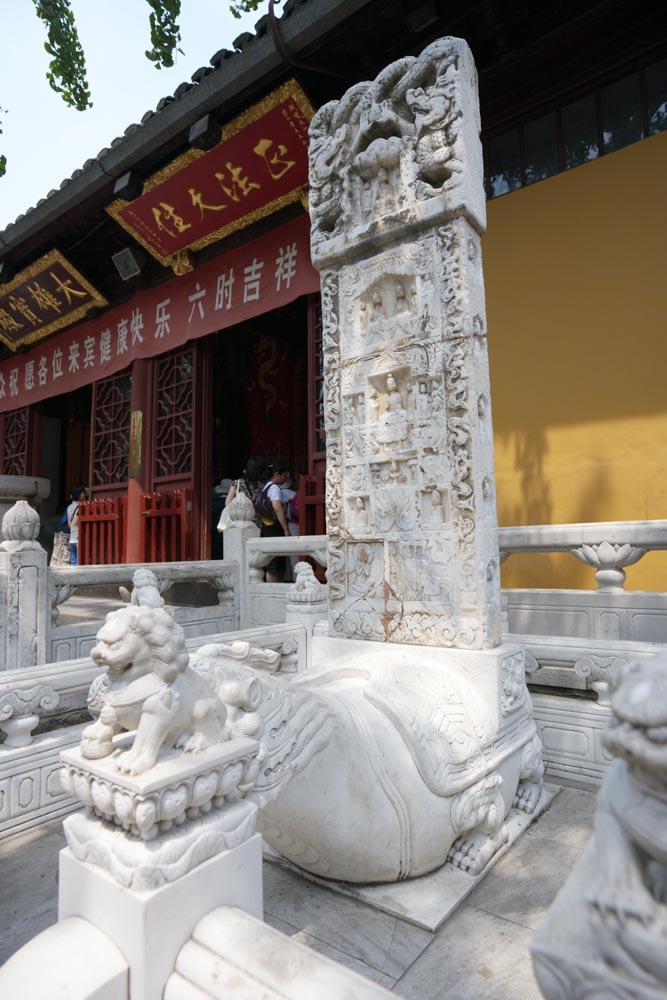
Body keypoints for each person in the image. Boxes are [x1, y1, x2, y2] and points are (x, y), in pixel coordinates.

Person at [258, 460, 291, 583]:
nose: (285, 478)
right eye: (284, 475)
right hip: (274, 528)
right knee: (275, 565)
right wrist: (286, 529)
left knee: (271, 562)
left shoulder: (266, 487)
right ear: (277, 474)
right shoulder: (275, 488)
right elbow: (277, 508)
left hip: (266, 526)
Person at [67, 486, 87, 566]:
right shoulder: (82, 506)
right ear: (79, 495)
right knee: (79, 562)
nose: (84, 495)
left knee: (73, 561)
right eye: (83, 493)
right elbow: (75, 523)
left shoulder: (69, 507)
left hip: (72, 537)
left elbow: (70, 524)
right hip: (79, 537)